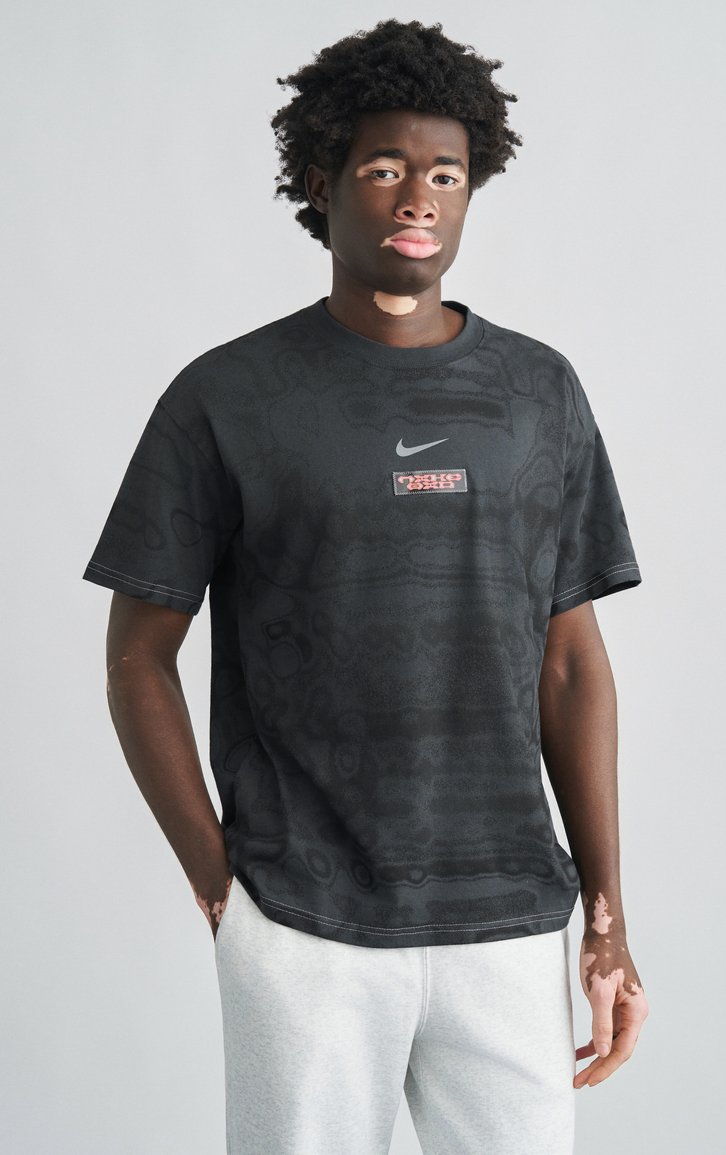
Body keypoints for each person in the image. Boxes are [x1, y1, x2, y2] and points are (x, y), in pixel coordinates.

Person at [82, 18, 649, 1155]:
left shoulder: (538, 393)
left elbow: (571, 661)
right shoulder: (227, 397)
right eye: (385, 168)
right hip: (305, 921)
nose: (416, 198)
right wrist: (219, 883)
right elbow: (137, 655)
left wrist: (607, 919)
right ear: (322, 180)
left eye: (444, 173)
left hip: (507, 919)